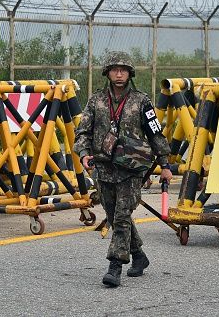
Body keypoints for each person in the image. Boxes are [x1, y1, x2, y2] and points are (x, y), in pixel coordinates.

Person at [74, 51, 173, 288]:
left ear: (130, 73)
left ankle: (115, 266)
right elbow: (82, 131)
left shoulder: (141, 101)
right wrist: (84, 153)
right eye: (114, 69)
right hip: (103, 167)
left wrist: (165, 164)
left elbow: (155, 133)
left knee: (120, 217)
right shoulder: (96, 101)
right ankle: (139, 256)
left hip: (131, 170)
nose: (119, 74)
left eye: (124, 70)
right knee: (116, 215)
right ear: (107, 73)